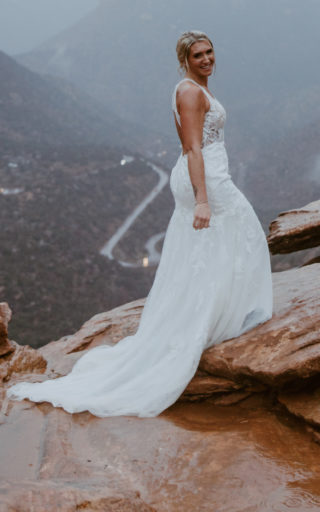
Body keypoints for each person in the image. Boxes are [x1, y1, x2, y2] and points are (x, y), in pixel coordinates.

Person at [9, 31, 272, 418]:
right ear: (184, 60)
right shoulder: (189, 92)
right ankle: (215, 318)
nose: (206, 59)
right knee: (243, 230)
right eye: (198, 54)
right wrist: (202, 198)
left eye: (210, 51)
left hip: (204, 172)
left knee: (214, 245)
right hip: (207, 178)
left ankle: (219, 310)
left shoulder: (194, 88)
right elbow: (194, 146)